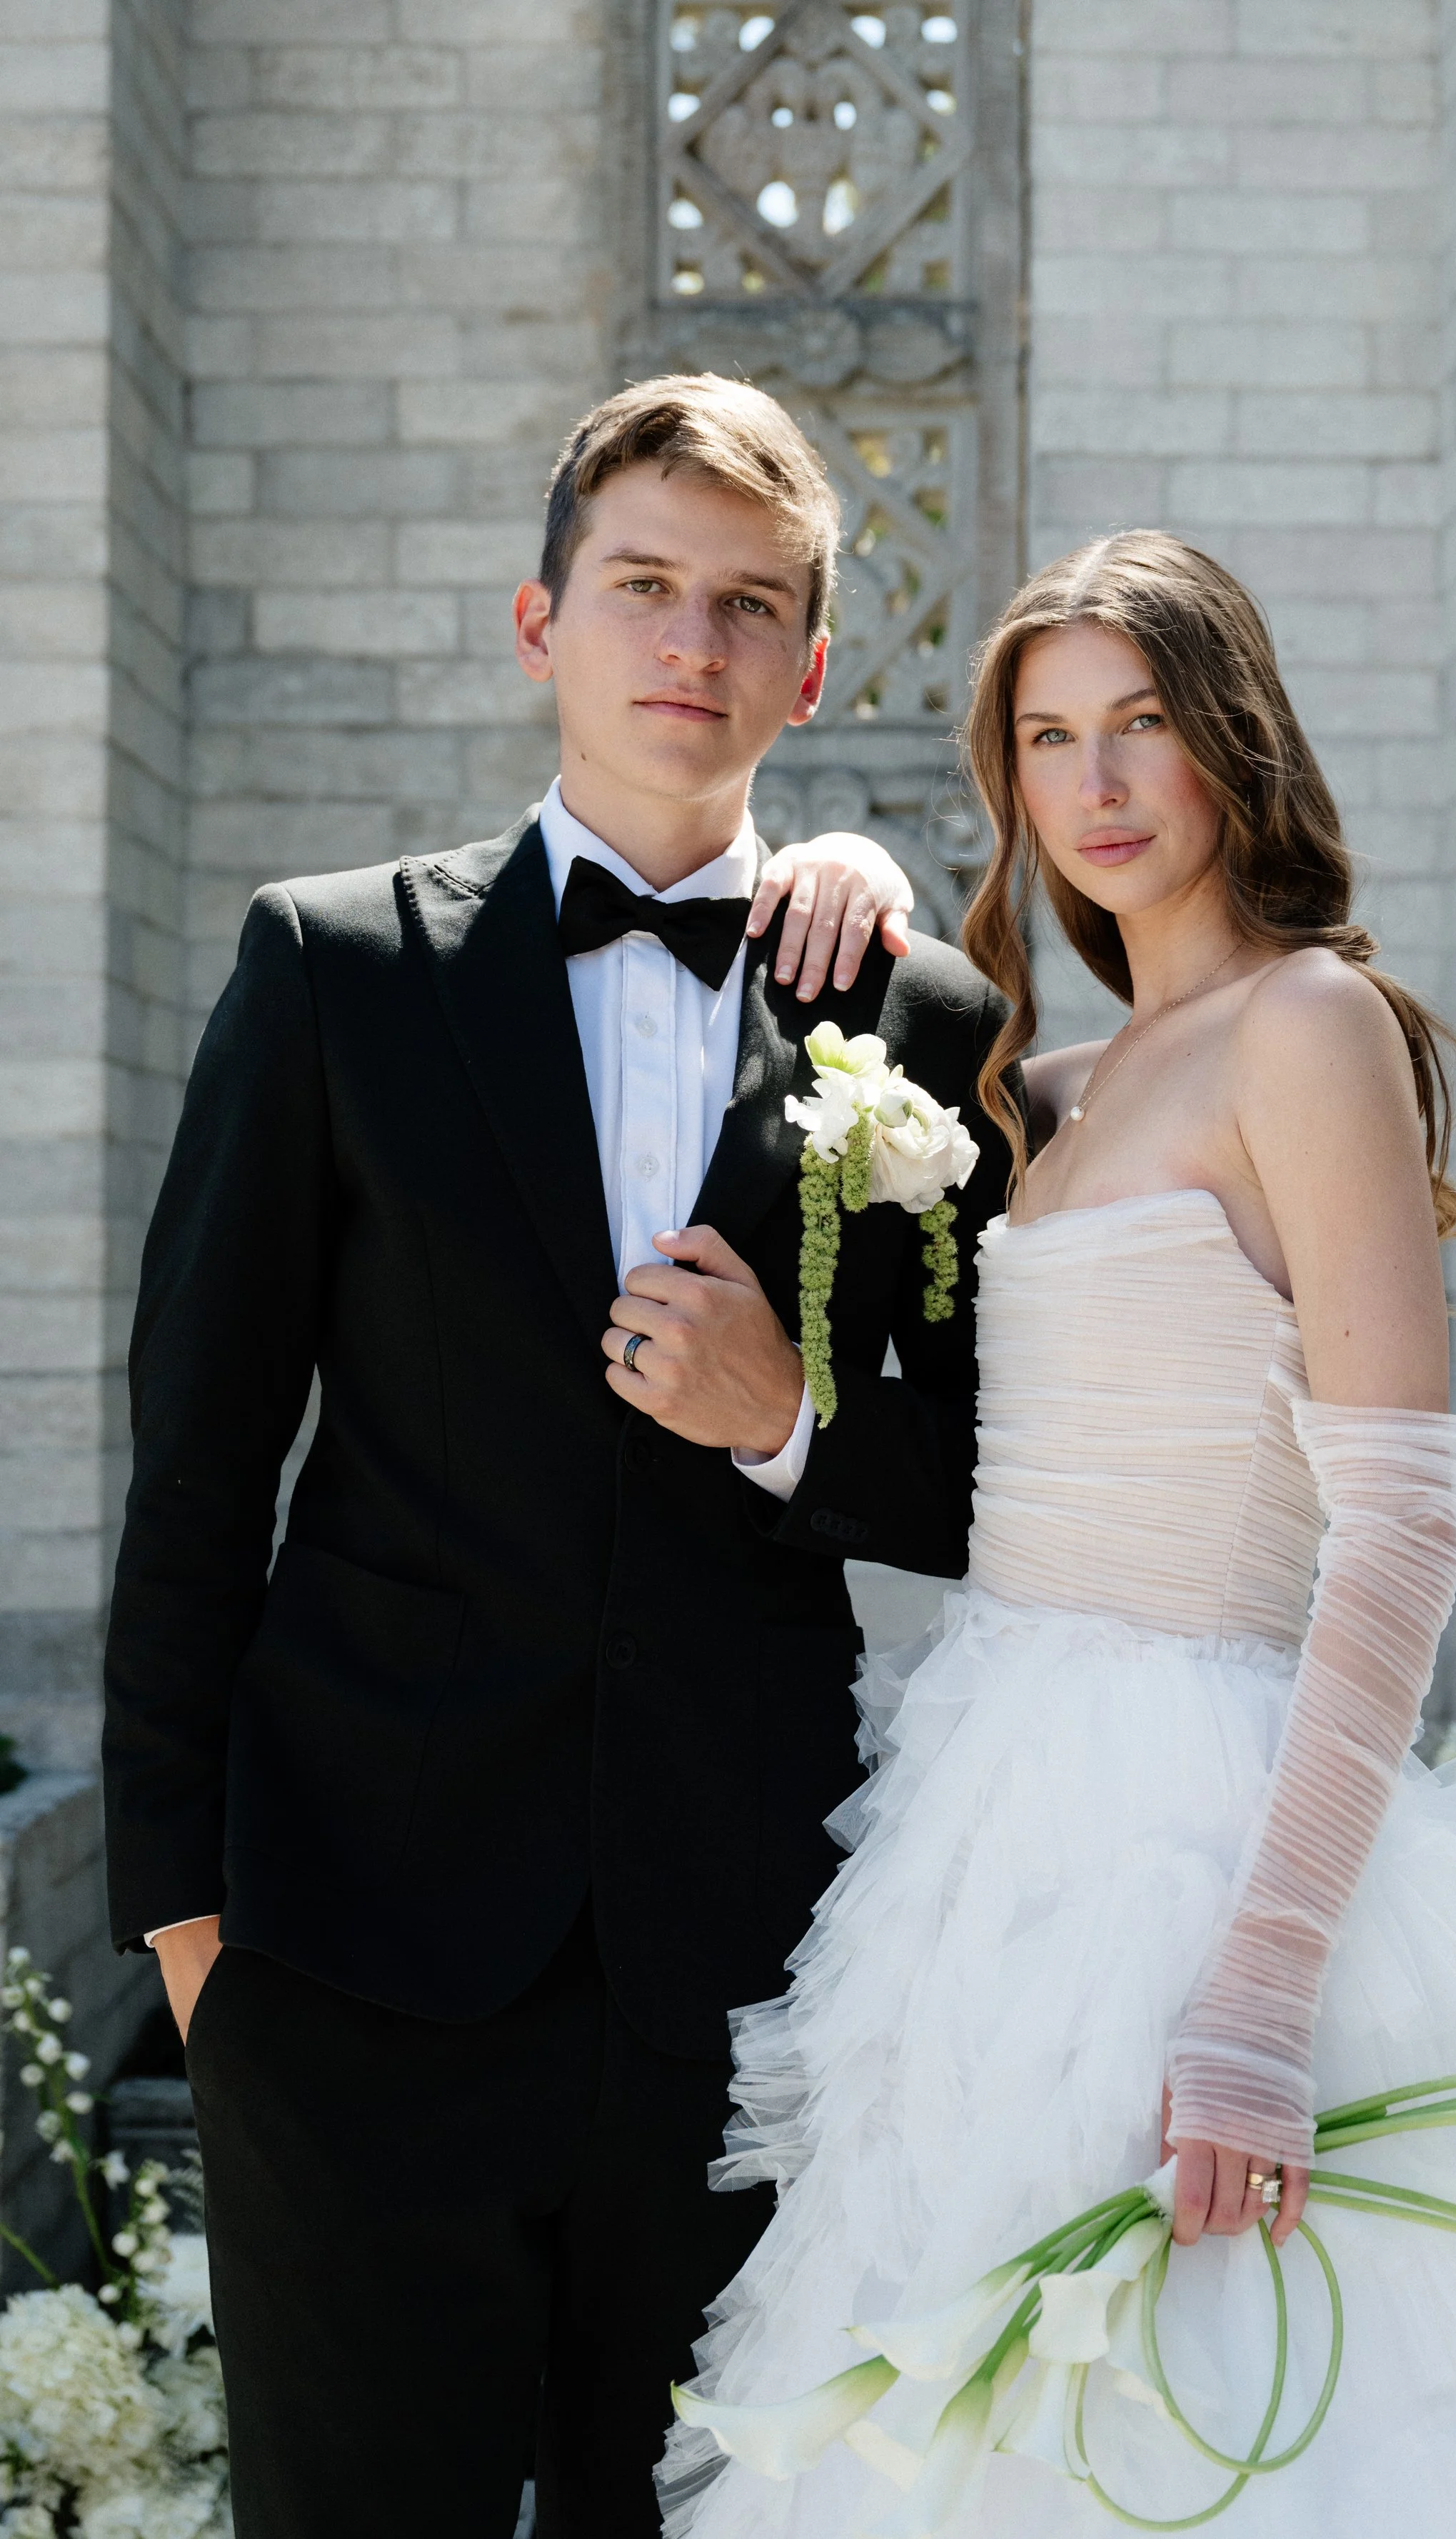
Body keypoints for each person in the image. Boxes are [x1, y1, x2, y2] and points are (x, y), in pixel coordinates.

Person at [666, 534, 1456, 2539]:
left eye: (1143, 728)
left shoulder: (1307, 1025)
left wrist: (1261, 1989)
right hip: (982, 1812)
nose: (1095, 787)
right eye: (1046, 741)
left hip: (1197, 1824)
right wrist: (852, 866)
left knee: (1225, 2417)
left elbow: (1400, 1529)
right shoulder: (1047, 1089)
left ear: (1233, 741)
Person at [100, 372, 1013, 2539]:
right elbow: (201, 1462)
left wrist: (784, 1427)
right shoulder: (329, 970)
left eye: (745, 606)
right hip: (350, 1955)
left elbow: (983, 1483)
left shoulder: (919, 1024)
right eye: (640, 589)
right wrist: (186, 1927)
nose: (687, 646)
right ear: (542, 627)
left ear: (809, 666)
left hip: (742, 1969)